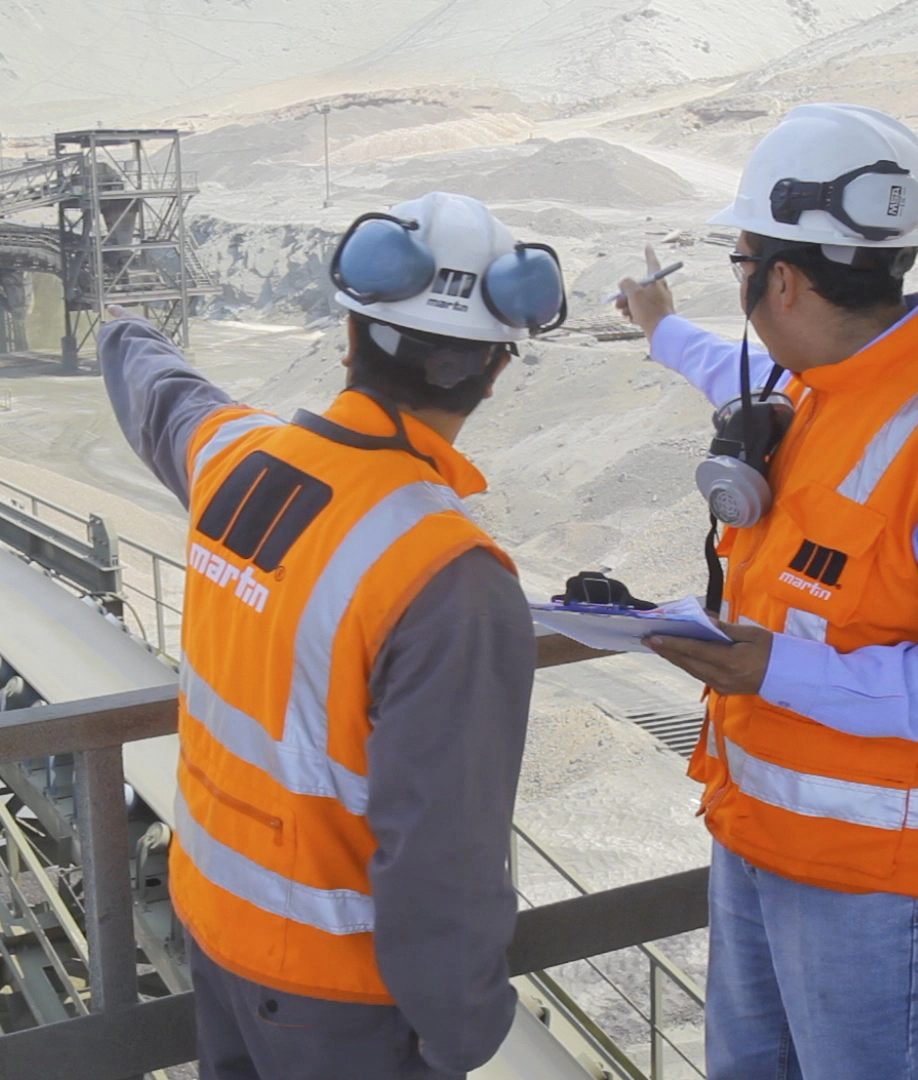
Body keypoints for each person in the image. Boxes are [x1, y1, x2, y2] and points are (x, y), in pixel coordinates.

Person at [616, 104, 918, 1079]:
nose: (742, 291)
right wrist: (660, 329)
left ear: (781, 277)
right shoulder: (825, 383)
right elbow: (725, 375)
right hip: (761, 840)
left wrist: (782, 669)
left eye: (740, 266)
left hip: (873, 883)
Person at [97, 192, 565, 1080]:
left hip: (219, 929)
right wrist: (459, 1029)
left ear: (348, 335)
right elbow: (440, 852)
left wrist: (121, 328)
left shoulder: (236, 461)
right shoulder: (448, 574)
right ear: (496, 370)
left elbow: (164, 399)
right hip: (339, 1000)